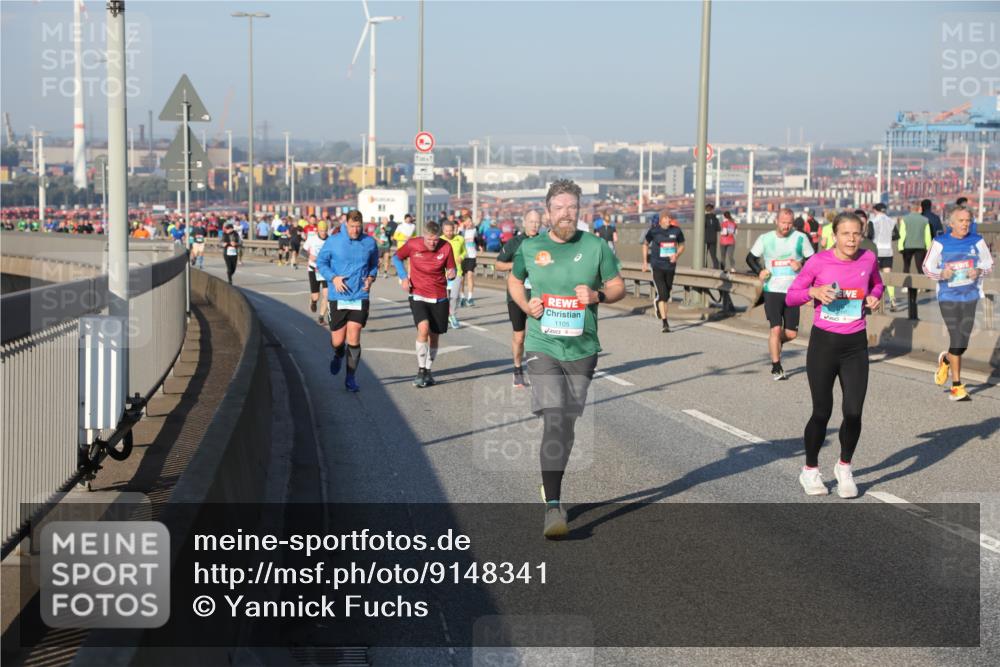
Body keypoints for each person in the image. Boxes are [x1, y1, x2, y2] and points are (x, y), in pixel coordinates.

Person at [508, 179, 625, 539]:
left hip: (583, 347)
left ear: (580, 210)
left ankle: (551, 479)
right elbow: (515, 280)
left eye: (572, 207)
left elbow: (619, 286)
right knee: (555, 418)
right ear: (547, 211)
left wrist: (597, 295)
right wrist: (527, 304)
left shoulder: (595, 246)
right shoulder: (531, 247)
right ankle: (553, 507)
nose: (566, 213)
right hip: (543, 344)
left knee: (568, 423)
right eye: (559, 207)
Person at [786, 212, 883, 498]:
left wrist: (875, 295)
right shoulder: (818, 261)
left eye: (856, 233)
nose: (851, 239)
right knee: (822, 411)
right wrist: (814, 292)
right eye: (845, 234)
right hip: (824, 345)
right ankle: (811, 470)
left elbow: (877, 284)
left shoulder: (868, 259)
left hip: (855, 345)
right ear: (834, 235)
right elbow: (792, 295)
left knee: (853, 412)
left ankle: (844, 467)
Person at [922, 207, 993, 401]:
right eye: (961, 221)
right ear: (951, 223)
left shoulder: (977, 241)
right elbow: (927, 268)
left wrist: (978, 271)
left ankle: (946, 360)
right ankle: (957, 386)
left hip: (971, 296)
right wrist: (940, 274)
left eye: (968, 220)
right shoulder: (940, 242)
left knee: (963, 342)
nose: (965, 224)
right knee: (957, 338)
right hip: (948, 296)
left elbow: (989, 264)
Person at [746, 208, 815, 380]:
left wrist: (801, 265)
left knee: (791, 334)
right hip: (772, 290)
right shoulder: (766, 239)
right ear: (776, 221)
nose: (786, 226)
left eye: (789, 223)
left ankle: (775, 344)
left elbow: (814, 261)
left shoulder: (800, 238)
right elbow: (750, 258)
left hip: (793, 292)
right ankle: (776, 367)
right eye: (783, 223)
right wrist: (759, 271)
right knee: (775, 329)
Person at [316, 210, 379, 393]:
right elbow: (321, 263)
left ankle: (351, 377)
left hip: (359, 295)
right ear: (346, 224)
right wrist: (333, 278)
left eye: (359, 227)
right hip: (338, 297)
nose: (355, 230)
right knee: (337, 340)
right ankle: (338, 353)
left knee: (354, 334)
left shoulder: (369, 242)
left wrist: (370, 278)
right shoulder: (334, 241)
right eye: (352, 226)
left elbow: (374, 264)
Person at [392, 221, 457, 388]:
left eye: (435, 240)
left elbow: (452, 269)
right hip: (418, 294)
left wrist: (451, 273)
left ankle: (428, 370)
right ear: (424, 236)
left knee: (434, 337)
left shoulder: (446, 247)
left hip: (439, 297)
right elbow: (397, 257)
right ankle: (421, 370)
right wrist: (404, 277)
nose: (432, 243)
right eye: (429, 240)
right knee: (423, 329)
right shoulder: (413, 244)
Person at [495, 208, 542, 387]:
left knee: (540, 336)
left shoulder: (545, 242)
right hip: (516, 296)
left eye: (537, 222)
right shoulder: (515, 242)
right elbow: (498, 265)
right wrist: (517, 265)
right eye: (531, 222)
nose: (534, 225)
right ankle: (517, 369)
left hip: (538, 295)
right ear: (524, 223)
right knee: (519, 336)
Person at [642, 211, 686, 332]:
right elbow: (645, 244)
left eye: (669, 218)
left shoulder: (676, 231)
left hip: (670, 267)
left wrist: (677, 254)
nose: (668, 220)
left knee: (666, 295)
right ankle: (665, 323)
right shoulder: (654, 231)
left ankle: (658, 301)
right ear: (661, 220)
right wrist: (645, 262)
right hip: (657, 266)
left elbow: (682, 245)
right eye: (665, 218)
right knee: (662, 294)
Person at [866, 202, 898, 311]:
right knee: (888, 277)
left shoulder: (873, 221)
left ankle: (877, 300)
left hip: (877, 251)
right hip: (888, 251)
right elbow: (897, 236)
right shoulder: (891, 221)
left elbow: (869, 236)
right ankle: (893, 300)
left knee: (876, 278)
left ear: (875, 210)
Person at [303, 221, 331, 325]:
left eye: (325, 230)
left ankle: (321, 317)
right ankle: (313, 301)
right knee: (316, 296)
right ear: (318, 230)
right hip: (313, 269)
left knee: (326, 295)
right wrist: (309, 257)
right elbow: (302, 251)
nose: (323, 232)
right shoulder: (312, 239)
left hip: (326, 270)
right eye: (321, 230)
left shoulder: (330, 240)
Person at [442, 220, 466, 329]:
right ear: (443, 231)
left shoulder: (460, 239)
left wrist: (462, 256)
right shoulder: (440, 240)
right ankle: (444, 316)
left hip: (457, 272)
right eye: (446, 231)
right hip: (442, 273)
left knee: (454, 297)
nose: (449, 233)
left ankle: (453, 316)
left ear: (454, 229)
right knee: (444, 297)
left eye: (451, 230)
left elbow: (464, 251)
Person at [897, 200, 931, 273]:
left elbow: (902, 234)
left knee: (906, 266)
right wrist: (928, 247)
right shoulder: (925, 220)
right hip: (920, 247)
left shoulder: (904, 219)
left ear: (910, 209)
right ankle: (921, 283)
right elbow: (927, 235)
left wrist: (900, 247)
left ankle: (906, 284)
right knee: (920, 267)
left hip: (907, 246)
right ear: (918, 208)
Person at [461, 213, 480, 306]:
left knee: (470, 275)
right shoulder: (460, 231)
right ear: (463, 222)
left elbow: (478, 240)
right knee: (461, 278)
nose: (469, 223)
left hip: (472, 256)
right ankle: (462, 296)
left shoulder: (475, 230)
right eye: (467, 221)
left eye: (470, 221)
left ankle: (470, 297)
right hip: (462, 257)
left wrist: (480, 246)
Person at [704, 203, 720, 269]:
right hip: (713, 238)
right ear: (712, 209)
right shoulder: (715, 219)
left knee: (704, 255)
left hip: (705, 238)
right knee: (713, 255)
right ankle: (716, 267)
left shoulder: (703, 218)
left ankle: (704, 266)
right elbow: (718, 229)